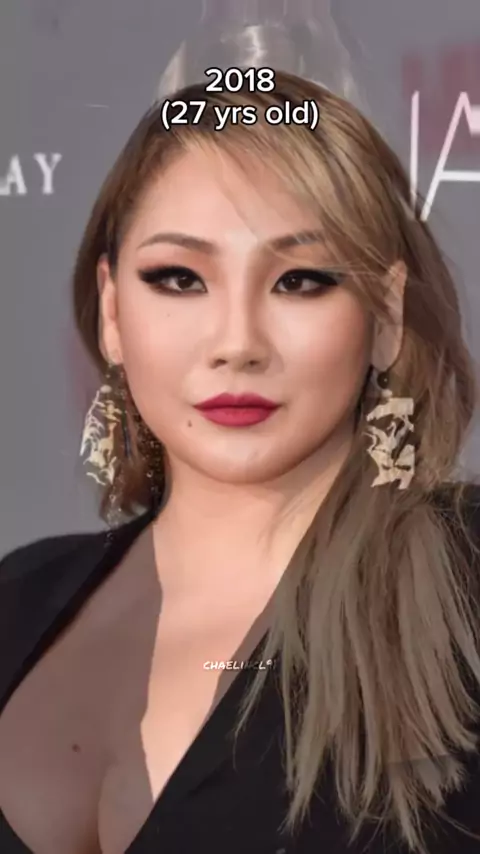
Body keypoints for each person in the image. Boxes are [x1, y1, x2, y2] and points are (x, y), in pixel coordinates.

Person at [1, 70, 480, 854]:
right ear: (113, 309)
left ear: (387, 315)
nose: (237, 344)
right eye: (179, 279)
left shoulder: (466, 579)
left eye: (299, 281)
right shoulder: (18, 596)